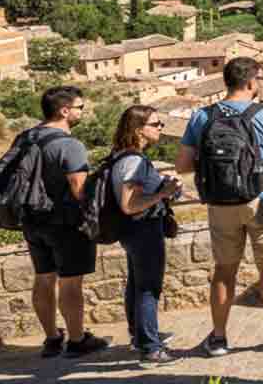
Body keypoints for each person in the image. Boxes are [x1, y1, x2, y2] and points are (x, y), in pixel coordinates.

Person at [177, 57, 263, 357]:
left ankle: (219, 338)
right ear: (250, 82)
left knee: (224, 270)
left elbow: (182, 164)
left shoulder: (201, 117)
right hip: (261, 199)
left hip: (220, 203)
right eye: (260, 79)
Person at [23, 86, 110, 360]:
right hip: (64, 224)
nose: (82, 111)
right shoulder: (69, 144)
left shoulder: (26, 137)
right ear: (64, 110)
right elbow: (79, 189)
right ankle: (76, 340)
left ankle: (51, 339)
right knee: (71, 283)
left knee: (43, 279)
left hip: (33, 220)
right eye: (80, 107)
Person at [110, 105, 182, 366]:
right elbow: (129, 204)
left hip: (132, 231)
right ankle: (151, 347)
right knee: (149, 288)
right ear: (139, 129)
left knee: (136, 284)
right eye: (156, 124)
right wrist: (163, 193)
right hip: (142, 230)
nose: (161, 128)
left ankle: (141, 336)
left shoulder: (122, 155)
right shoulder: (134, 161)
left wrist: (162, 186)